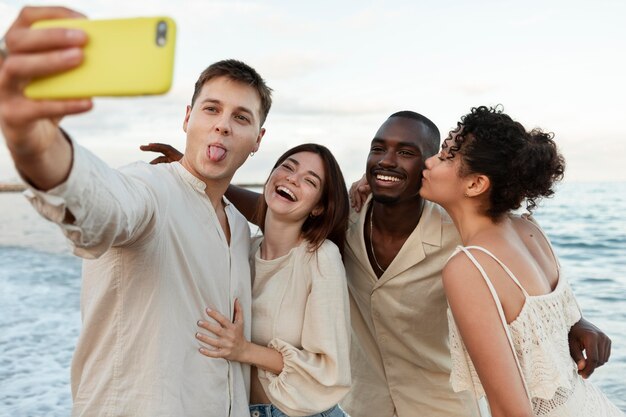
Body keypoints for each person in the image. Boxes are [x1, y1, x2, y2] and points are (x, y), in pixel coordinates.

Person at [142, 110, 613, 417]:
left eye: (415, 154)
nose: (387, 160)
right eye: (378, 148)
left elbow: (523, 292)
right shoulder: (344, 222)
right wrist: (204, 179)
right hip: (361, 406)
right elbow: (280, 205)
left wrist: (575, 320)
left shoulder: (466, 246)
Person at [0, 6, 271, 416]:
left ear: (257, 140)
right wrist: (36, 146)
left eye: (241, 117)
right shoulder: (150, 190)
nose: (222, 125)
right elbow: (100, 204)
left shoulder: (239, 226)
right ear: (187, 118)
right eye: (211, 109)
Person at [420, 105, 623, 416]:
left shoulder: (469, 267)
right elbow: (560, 321)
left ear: (476, 184)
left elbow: (510, 411)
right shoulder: (529, 230)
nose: (429, 162)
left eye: (446, 156)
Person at [193, 143, 352, 417]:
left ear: (317, 208)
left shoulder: (320, 257)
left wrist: (243, 350)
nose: (292, 178)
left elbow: (329, 369)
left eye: (309, 181)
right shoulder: (242, 250)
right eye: (288, 167)